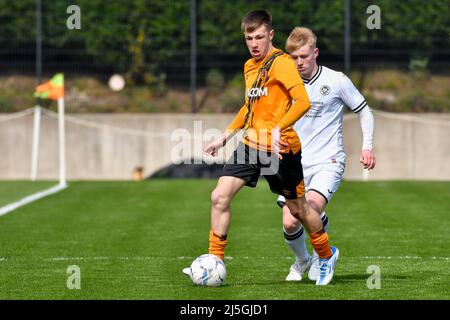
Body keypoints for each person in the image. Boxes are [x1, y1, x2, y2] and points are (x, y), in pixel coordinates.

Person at [184, 10, 339, 286]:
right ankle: (214, 261)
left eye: (258, 37)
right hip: (250, 144)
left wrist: (280, 127)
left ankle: (326, 256)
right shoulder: (249, 67)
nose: (254, 43)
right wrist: (225, 136)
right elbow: (249, 107)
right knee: (219, 196)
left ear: (270, 35)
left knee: (298, 210)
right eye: (248, 38)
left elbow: (301, 101)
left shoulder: (282, 63)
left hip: (281, 149)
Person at [278, 27, 375, 282]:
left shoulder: (336, 80)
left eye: (304, 56)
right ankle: (302, 261)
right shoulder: (285, 84)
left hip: (328, 161)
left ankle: (324, 256)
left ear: (315, 53)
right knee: (290, 222)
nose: (299, 62)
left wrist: (367, 146)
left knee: (310, 206)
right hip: (294, 162)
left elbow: (364, 111)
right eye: (294, 57)